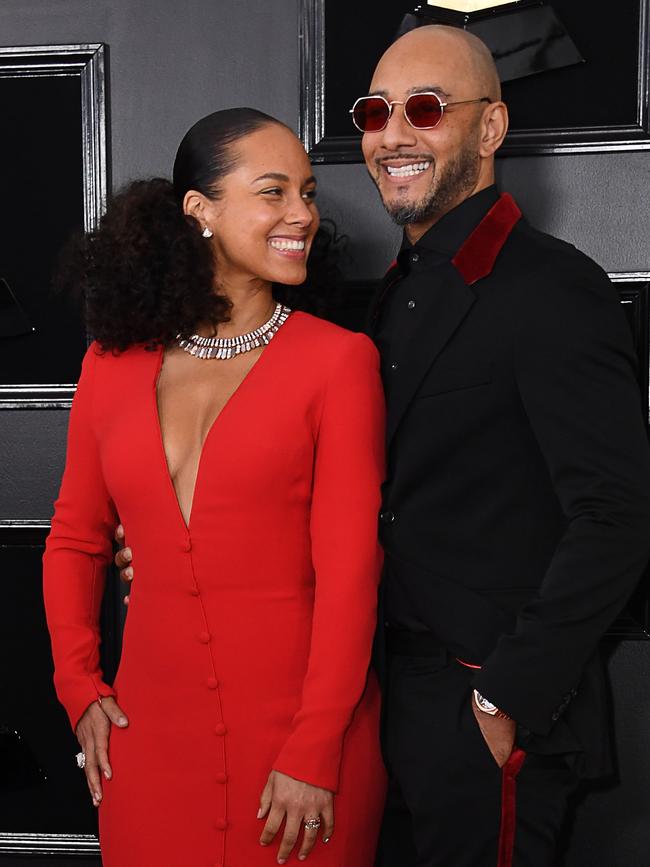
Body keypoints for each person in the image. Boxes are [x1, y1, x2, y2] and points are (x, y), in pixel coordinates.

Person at [42, 107, 387, 867]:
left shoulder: (339, 363)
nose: (302, 213)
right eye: (273, 192)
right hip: (149, 741)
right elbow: (73, 535)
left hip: (303, 745)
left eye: (307, 192)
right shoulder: (111, 362)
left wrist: (315, 744)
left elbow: (350, 572)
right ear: (199, 210)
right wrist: (79, 684)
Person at [348, 24, 650, 867]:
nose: (393, 134)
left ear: (489, 129)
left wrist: (504, 697)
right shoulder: (386, 298)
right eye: (376, 112)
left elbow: (617, 514)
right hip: (382, 707)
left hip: (485, 708)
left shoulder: (555, 288)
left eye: (426, 109)